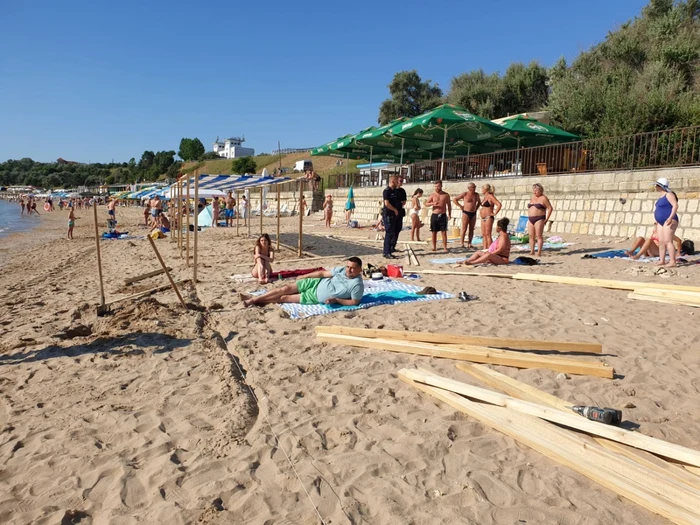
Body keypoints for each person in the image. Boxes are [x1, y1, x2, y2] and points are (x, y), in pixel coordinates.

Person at [243, 257, 364, 307]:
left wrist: (337, 300)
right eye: (348, 266)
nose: (349, 269)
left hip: (315, 296)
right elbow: (322, 273)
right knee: (284, 289)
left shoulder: (357, 285)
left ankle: (256, 300)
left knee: (284, 298)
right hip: (315, 283)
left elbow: (355, 301)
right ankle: (254, 300)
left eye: (352, 268)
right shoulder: (342, 270)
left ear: (359, 270)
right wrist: (305, 276)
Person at [653, 177, 680, 267]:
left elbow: (675, 205)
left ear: (660, 186)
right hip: (660, 222)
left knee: (668, 241)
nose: (655, 187)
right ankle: (662, 260)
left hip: (669, 220)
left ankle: (672, 261)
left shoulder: (669, 194)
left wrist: (670, 217)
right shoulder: (661, 196)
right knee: (661, 242)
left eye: (657, 185)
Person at [425, 180, 452, 252]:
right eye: (436, 186)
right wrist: (433, 203)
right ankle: (434, 246)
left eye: (438, 186)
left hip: (443, 214)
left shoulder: (446, 195)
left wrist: (449, 214)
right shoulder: (432, 195)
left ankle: (445, 247)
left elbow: (449, 205)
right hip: (435, 214)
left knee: (444, 232)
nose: (437, 188)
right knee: (434, 231)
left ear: (441, 186)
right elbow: (426, 204)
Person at [527, 183, 553, 257]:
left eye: (537, 191)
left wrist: (547, 218)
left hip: (539, 218)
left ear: (541, 190)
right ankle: (532, 251)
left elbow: (550, 208)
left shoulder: (544, 198)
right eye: (534, 190)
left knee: (539, 235)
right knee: (531, 235)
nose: (535, 192)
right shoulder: (532, 197)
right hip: (530, 218)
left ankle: (539, 252)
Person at [453, 182, 481, 249]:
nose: (474, 188)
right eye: (473, 187)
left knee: (471, 229)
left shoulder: (476, 195)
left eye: (475, 187)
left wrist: (476, 208)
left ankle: (469, 243)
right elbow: (455, 199)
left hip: (473, 213)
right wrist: (460, 206)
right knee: (464, 228)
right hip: (466, 212)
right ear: (469, 188)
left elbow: (479, 202)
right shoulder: (465, 194)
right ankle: (462, 243)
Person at [382, 175, 402, 258]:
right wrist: (394, 210)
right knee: (389, 233)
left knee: (393, 232)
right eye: (397, 181)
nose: (398, 183)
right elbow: (386, 203)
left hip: (393, 215)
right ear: (393, 181)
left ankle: (390, 250)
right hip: (388, 214)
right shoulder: (387, 191)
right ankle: (386, 252)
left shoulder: (394, 191)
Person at [479, 184, 501, 250]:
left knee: (488, 234)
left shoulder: (490, 196)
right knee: (483, 234)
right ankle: (484, 248)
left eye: (482, 189)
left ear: (486, 190)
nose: (482, 190)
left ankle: (490, 249)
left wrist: (494, 213)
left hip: (488, 217)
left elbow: (499, 204)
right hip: (483, 218)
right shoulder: (485, 197)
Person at [391, 177, 407, 252]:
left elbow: (404, 201)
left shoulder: (402, 191)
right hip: (392, 212)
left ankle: (393, 245)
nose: (401, 182)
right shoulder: (391, 190)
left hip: (399, 211)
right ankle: (390, 246)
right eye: (400, 181)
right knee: (391, 229)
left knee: (398, 229)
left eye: (402, 181)